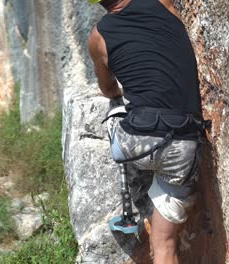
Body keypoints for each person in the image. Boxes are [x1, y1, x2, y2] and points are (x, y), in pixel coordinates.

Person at [88, 0, 205, 263]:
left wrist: (122, 92)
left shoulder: (98, 36)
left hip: (135, 145)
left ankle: (133, 202)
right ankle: (162, 199)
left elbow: (108, 90)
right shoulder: (161, 3)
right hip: (182, 145)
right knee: (165, 246)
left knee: (115, 113)